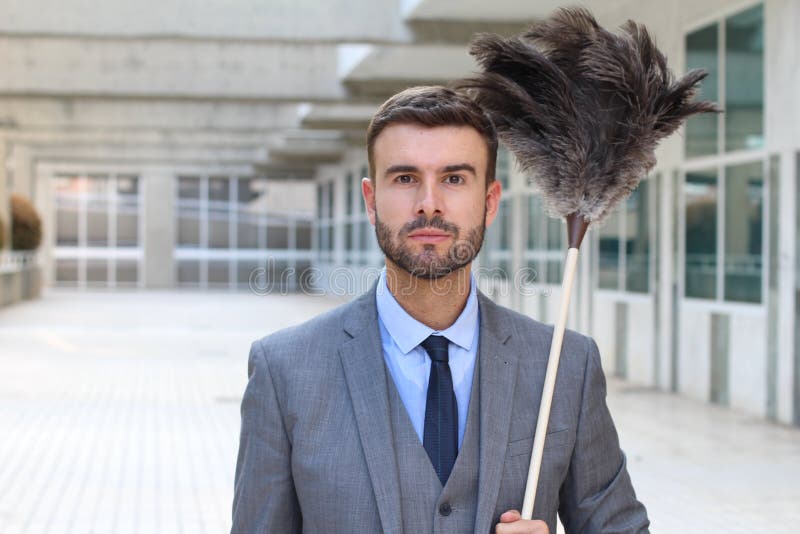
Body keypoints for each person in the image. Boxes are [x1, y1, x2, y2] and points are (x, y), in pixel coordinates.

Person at [231, 86, 650, 534]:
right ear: (371, 201)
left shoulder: (564, 365)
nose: (428, 203)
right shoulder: (286, 371)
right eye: (406, 178)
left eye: (454, 178)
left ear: (489, 203)